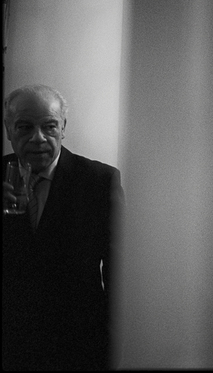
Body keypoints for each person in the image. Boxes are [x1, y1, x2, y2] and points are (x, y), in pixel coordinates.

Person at [2, 84, 124, 370]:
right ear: (8, 130)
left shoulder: (99, 181)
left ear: (63, 128)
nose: (38, 138)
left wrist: (113, 340)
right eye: (24, 127)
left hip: (78, 344)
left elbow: (119, 269)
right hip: (9, 343)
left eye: (49, 126)